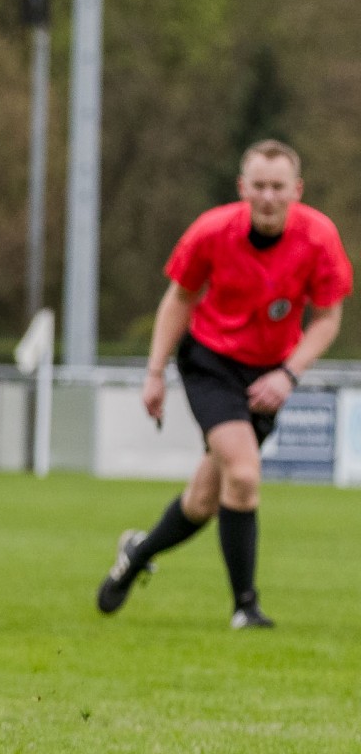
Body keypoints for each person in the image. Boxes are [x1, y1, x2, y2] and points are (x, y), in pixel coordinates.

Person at [97, 140, 351, 628]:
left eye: (279, 186)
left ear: (297, 190)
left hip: (269, 374)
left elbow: (328, 318)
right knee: (245, 472)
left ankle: (135, 554)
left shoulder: (319, 237)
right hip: (210, 362)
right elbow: (179, 299)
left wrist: (288, 374)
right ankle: (245, 606)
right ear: (242, 188)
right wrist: (155, 372)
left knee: (203, 500)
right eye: (258, 186)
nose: (268, 197)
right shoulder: (212, 231)